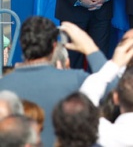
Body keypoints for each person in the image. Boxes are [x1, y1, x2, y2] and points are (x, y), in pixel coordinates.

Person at [0, 16, 107, 147]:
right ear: (54, 46)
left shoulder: (4, 84)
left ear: (22, 45)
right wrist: (90, 48)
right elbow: (118, 91)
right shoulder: (76, 80)